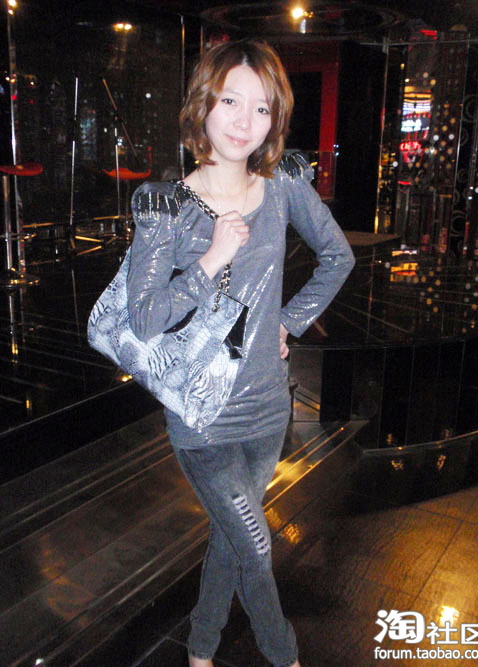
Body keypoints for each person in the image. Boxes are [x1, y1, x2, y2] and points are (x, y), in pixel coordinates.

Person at [127, 38, 355, 667]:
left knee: (232, 539)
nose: (244, 121)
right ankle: (286, 655)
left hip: (267, 406)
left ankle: (200, 647)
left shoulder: (283, 189)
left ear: (274, 119)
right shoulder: (166, 207)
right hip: (201, 415)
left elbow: (338, 257)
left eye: (261, 107)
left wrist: (291, 320)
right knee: (254, 541)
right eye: (230, 100)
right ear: (203, 103)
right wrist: (210, 260)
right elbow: (144, 321)